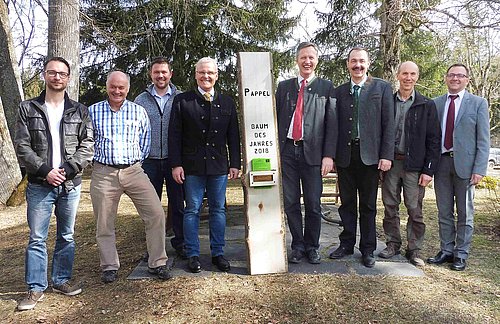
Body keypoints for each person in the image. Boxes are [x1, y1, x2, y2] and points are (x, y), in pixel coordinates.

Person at [14, 57, 94, 310]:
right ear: (45, 76)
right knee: (37, 237)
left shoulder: (80, 110)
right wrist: (46, 170)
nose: (57, 77)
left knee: (67, 235)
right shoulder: (28, 108)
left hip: (70, 184)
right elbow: (22, 146)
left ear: (68, 78)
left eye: (62, 73)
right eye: (52, 73)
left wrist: (69, 169)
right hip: (40, 183)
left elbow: (87, 144)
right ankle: (36, 288)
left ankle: (61, 280)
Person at [89, 70, 171, 283]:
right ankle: (109, 266)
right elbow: (87, 142)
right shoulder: (92, 111)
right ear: (107, 87)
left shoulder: (138, 111)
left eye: (121, 87)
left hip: (134, 171)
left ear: (127, 88)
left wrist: (134, 163)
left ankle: (157, 262)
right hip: (104, 173)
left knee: (155, 213)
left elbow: (145, 141)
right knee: (104, 222)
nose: (117, 91)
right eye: (113, 87)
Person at [169, 57, 241, 273]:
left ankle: (218, 253)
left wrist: (235, 163)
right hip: (192, 167)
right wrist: (176, 164)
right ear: (196, 75)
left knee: (218, 210)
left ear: (216, 75)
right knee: (192, 210)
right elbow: (174, 136)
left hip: (218, 166)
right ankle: (192, 254)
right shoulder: (182, 101)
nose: (206, 76)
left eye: (210, 73)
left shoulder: (227, 102)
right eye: (202, 73)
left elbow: (233, 136)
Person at [329, 47, 395, 268]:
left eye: (362, 61)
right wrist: (331, 156)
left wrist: (386, 155)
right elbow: (333, 126)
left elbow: (389, 124)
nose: (358, 65)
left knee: (367, 206)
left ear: (368, 63)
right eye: (353, 61)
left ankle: (368, 249)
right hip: (346, 157)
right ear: (347, 64)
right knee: (347, 204)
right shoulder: (338, 92)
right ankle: (346, 244)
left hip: (371, 158)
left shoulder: (382, 88)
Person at [275, 42, 337, 264]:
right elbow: (275, 120)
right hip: (288, 152)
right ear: (297, 60)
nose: (307, 61)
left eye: (311, 57)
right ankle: (297, 245)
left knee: (313, 203)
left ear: (316, 60)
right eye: (303, 57)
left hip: (313, 154)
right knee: (291, 202)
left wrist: (328, 155)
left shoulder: (326, 87)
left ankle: (312, 246)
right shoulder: (284, 87)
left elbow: (332, 124)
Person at [427, 64, 490, 271]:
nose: (455, 78)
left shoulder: (478, 103)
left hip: (466, 165)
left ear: (467, 80)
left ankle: (461, 254)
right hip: (442, 164)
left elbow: (483, 140)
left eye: (460, 75)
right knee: (444, 211)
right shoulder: (436, 103)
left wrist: (479, 169)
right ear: (446, 78)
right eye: (452, 75)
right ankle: (446, 250)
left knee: (465, 213)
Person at [379, 61, 441, 267]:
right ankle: (392, 244)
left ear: (417, 77)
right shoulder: (387, 101)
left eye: (412, 74)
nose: (408, 78)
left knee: (415, 209)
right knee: (390, 206)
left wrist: (429, 170)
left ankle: (414, 250)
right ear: (398, 76)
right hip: (391, 163)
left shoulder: (426, 104)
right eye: (404, 73)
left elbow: (434, 140)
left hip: (415, 166)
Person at [134, 57, 185, 259]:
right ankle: (153, 248)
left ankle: (180, 243)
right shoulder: (141, 100)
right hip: (149, 161)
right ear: (151, 75)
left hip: (175, 161)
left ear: (170, 74)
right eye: (156, 72)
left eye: (164, 72)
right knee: (150, 208)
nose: (160, 76)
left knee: (178, 204)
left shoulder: (180, 97)